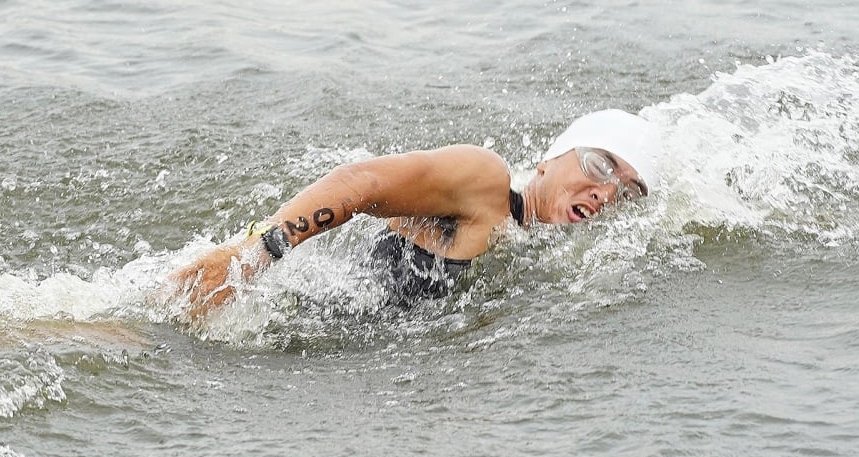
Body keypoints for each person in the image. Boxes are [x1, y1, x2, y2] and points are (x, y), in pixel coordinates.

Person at [171, 109, 663, 317]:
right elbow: (359, 183)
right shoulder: (484, 183)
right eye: (600, 165)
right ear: (549, 160)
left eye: (625, 191)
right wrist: (254, 256)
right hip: (281, 326)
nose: (605, 191)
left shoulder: (533, 245)